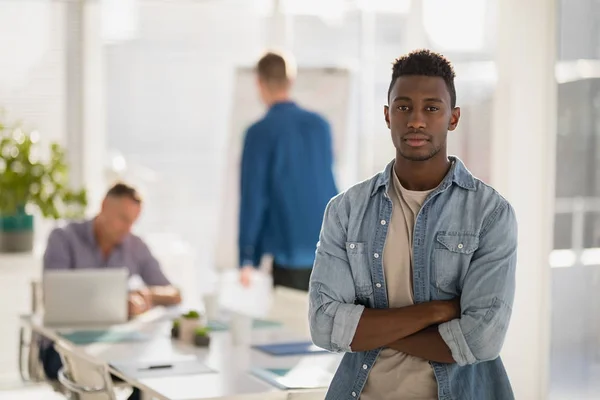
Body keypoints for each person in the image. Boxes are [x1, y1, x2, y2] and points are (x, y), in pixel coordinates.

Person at [308, 49, 518, 399]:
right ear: (388, 116)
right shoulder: (346, 210)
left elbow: (481, 339)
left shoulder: (490, 214)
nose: (416, 121)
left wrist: (366, 327)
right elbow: (324, 326)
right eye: (404, 107)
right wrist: (436, 312)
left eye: (432, 108)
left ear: (453, 118)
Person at [40, 183, 182, 400]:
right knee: (94, 376)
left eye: (133, 222)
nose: (127, 228)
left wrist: (145, 295)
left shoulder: (135, 246)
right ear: (104, 206)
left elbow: (174, 293)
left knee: (154, 374)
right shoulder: (63, 238)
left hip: (117, 347)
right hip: (63, 348)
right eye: (123, 218)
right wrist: (117, 301)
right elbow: (53, 297)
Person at [239, 51, 338, 292]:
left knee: (292, 326)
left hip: (289, 252)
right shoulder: (320, 125)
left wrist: (246, 257)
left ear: (258, 83)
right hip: (330, 249)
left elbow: (253, 198)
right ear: (291, 81)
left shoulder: (259, 133)